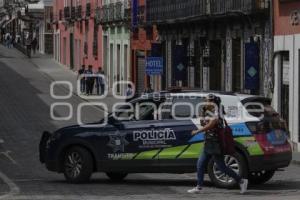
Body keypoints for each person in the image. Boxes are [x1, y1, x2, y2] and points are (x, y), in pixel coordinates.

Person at [188, 94, 248, 194]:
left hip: (215, 143)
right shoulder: (208, 111)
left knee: (221, 166)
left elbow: (212, 123)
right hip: (208, 141)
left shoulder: (217, 110)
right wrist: (203, 114)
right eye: (206, 100)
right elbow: (204, 123)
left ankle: (241, 181)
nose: (206, 102)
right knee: (200, 164)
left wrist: (197, 131)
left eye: (207, 100)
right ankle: (198, 187)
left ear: (213, 101)